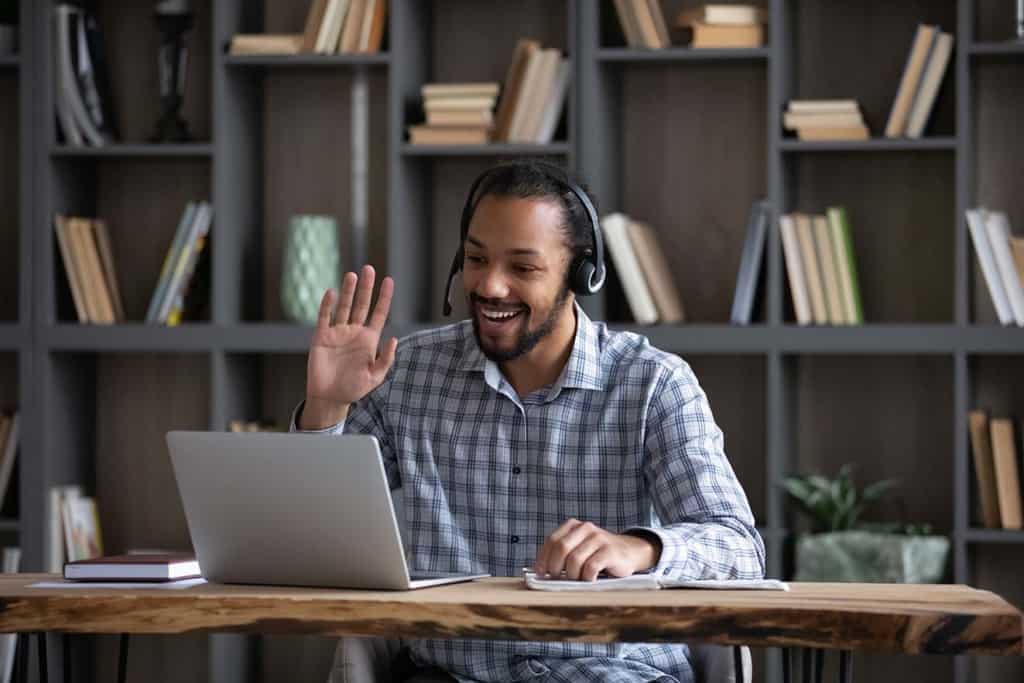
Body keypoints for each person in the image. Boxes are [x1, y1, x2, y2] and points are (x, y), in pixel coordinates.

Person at [292, 160, 765, 683]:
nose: (491, 286)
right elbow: (313, 542)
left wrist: (639, 548)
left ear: (580, 274)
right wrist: (327, 407)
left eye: (523, 267)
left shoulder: (653, 385)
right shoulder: (403, 375)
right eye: (476, 259)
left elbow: (739, 548)